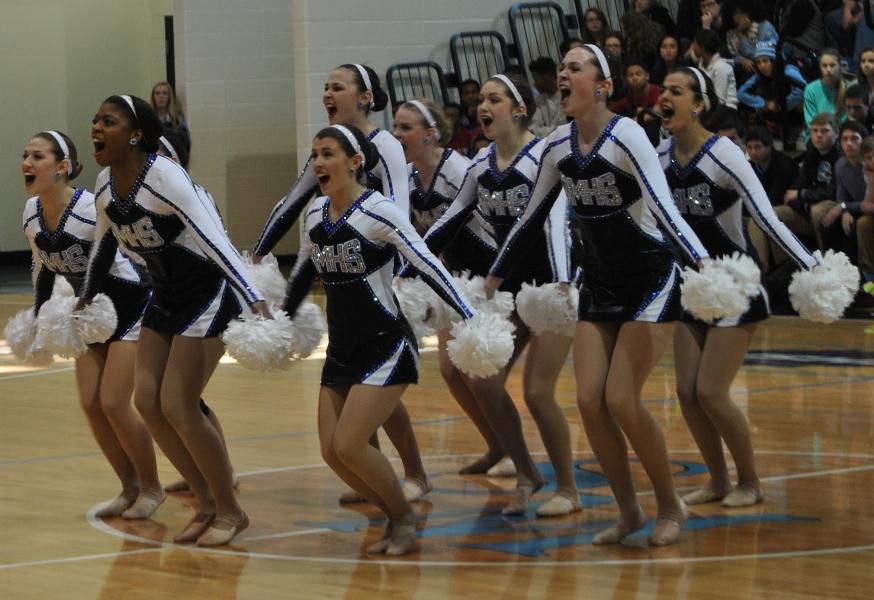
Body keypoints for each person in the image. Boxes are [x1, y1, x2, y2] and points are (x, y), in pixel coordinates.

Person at [484, 45, 714, 545]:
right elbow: (529, 220)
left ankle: (671, 507)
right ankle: (629, 512)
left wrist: (703, 265)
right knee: (589, 401)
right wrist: (492, 280)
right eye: (561, 68)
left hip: (651, 280)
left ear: (603, 85)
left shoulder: (626, 135)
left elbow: (665, 210)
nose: (563, 74)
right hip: (601, 284)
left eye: (575, 68)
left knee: (622, 400)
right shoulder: (558, 146)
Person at [281, 124, 479, 555]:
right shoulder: (316, 214)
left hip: (386, 343)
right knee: (333, 453)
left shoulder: (379, 210)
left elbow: (426, 263)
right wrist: (280, 317)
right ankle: (392, 511)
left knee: (350, 443)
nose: (317, 162)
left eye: (328, 153)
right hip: (341, 348)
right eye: (314, 154)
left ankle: (404, 516)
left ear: (354, 163)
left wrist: (468, 314)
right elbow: (302, 271)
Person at [81, 94, 267, 546]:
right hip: (165, 298)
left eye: (108, 121)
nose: (97, 128)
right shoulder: (106, 183)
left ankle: (230, 510)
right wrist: (85, 294)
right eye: (95, 121)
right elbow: (104, 244)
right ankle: (205, 502)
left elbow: (214, 239)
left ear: (136, 134)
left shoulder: (164, 177)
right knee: (146, 401)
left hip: (209, 294)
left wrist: (254, 297)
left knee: (178, 403)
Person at [253, 63, 428, 503]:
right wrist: (256, 254)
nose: (328, 93)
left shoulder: (383, 144)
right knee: (361, 387)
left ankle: (414, 474)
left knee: (379, 384)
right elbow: (292, 201)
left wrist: (405, 279)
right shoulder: (326, 148)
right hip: (342, 271)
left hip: (385, 273)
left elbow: (399, 213)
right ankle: (370, 474)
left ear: (365, 97)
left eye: (338, 87)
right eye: (325, 87)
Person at [418, 72, 582, 516]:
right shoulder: (481, 164)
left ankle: (567, 488)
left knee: (538, 392)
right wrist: (410, 258)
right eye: (482, 100)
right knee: (482, 379)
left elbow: (554, 222)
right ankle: (528, 471)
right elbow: (450, 219)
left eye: (495, 99)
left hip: (553, 286)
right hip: (508, 287)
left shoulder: (543, 155)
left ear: (519, 108)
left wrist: (564, 280)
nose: (483, 106)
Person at [657, 67, 819, 508]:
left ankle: (750, 482)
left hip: (736, 282)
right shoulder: (660, 156)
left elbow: (766, 217)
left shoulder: (724, 153)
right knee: (687, 393)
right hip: (693, 287)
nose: (664, 99)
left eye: (676, 92)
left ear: (699, 103)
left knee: (711, 390)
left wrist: (811, 263)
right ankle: (717, 481)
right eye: (663, 91)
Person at [20, 130, 161, 519]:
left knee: (114, 402)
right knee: (90, 403)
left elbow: (131, 255)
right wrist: (37, 313)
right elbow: (43, 266)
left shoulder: (89, 207)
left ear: (62, 167)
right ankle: (128, 486)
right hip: (87, 312)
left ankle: (151, 487)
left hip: (130, 306)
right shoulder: (32, 212)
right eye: (25, 155)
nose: (27, 163)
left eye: (38, 156)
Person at [392, 99, 504, 475]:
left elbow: (483, 222)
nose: (397, 134)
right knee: (451, 370)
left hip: (485, 273)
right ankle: (496, 445)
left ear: (430, 134)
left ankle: (511, 450)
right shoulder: (406, 177)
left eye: (405, 128)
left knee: (477, 370)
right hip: (451, 277)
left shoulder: (457, 169)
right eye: (396, 127)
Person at [153, 134, 240, 495]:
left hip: (213, 303)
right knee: (181, 400)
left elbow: (220, 251)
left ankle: (218, 478)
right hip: (174, 304)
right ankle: (212, 472)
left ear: (172, 160)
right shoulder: (145, 199)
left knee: (182, 400)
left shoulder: (192, 195)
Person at [777, 112, 842, 263]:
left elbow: (832, 192)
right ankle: (785, 265)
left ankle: (827, 263)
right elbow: (795, 188)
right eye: (814, 131)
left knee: (817, 210)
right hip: (808, 209)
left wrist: (803, 196)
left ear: (836, 133)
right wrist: (802, 200)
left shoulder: (840, 156)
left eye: (824, 131)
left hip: (832, 207)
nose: (819, 135)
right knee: (775, 214)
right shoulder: (811, 154)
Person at [736, 41, 807, 142]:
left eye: (765, 61)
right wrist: (765, 103)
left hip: (797, 121)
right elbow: (740, 94)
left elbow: (804, 89)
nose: (762, 66)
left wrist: (782, 105)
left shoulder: (788, 71)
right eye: (759, 62)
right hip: (776, 123)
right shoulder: (759, 76)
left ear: (774, 61)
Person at [819, 120, 869, 256]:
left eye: (854, 139)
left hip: (869, 209)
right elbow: (842, 195)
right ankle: (834, 266)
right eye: (845, 139)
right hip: (854, 207)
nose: (849, 143)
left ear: (863, 142)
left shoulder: (870, 164)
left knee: (855, 227)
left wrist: (843, 207)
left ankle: (861, 271)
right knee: (827, 223)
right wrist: (844, 211)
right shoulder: (840, 165)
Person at [726, 5, 778, 77]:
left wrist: (741, 36)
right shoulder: (731, 33)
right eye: (735, 13)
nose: (738, 17)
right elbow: (732, 56)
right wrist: (741, 60)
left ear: (750, 12)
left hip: (774, 69)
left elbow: (759, 54)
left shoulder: (764, 26)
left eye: (742, 12)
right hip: (750, 73)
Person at [692, 29, 738, 110]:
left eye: (695, 44)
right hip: (708, 109)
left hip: (726, 113)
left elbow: (720, 101)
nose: (693, 47)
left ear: (702, 47)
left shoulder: (721, 67)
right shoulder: (701, 63)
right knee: (691, 115)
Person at [803, 49, 847, 131]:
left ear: (840, 66)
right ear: (820, 67)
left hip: (841, 133)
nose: (828, 69)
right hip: (817, 133)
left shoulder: (847, 87)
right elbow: (810, 120)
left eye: (832, 65)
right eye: (824, 66)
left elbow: (847, 118)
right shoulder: (811, 89)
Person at [149, 82, 191, 166]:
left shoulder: (178, 119)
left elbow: (186, 145)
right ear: (153, 97)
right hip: (153, 163)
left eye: (165, 93)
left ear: (169, 97)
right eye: (157, 93)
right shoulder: (148, 119)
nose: (161, 96)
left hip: (174, 163)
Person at [528, 56, 566, 138]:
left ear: (546, 76)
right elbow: (533, 128)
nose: (534, 84)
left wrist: (542, 132)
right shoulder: (540, 99)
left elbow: (564, 128)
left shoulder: (566, 95)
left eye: (535, 78)